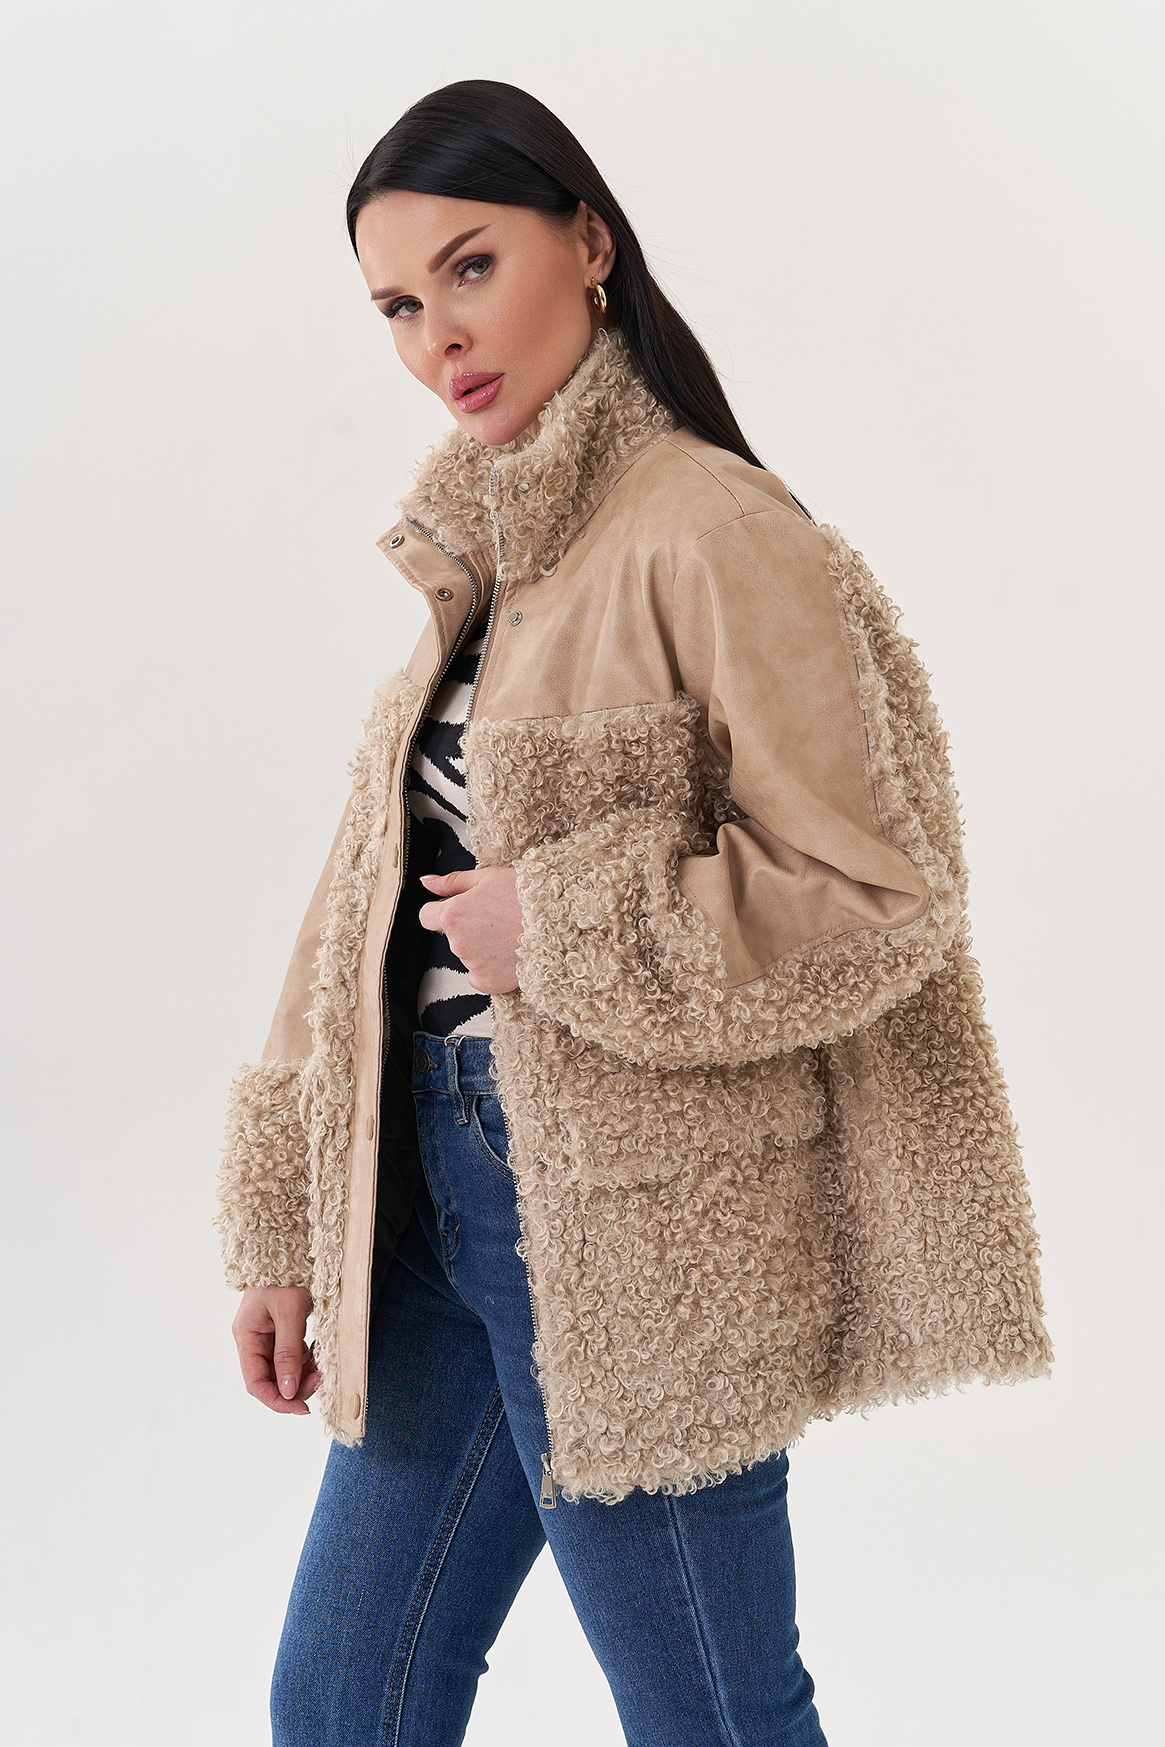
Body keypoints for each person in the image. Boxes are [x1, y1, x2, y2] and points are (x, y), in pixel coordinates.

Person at [215, 79, 1052, 1747]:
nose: (438, 338)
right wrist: (287, 1219)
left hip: (634, 1223)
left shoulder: (710, 528)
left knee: (709, 1717)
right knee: (341, 1701)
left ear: (588, 244)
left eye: (470, 267)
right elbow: (358, 904)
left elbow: (872, 892)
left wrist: (567, 928)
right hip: (425, 1188)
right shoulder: (481, 559)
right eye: (397, 305)